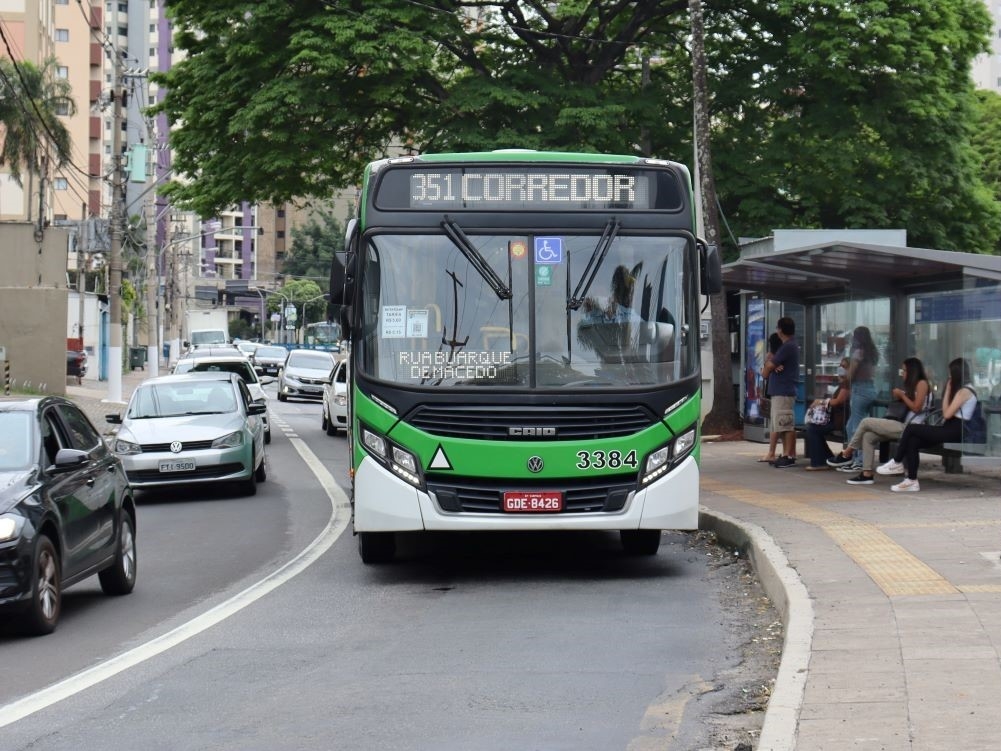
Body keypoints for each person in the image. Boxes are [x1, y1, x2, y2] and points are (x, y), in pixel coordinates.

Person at [876, 357, 979, 492]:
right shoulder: (963, 390)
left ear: (956, 374)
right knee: (913, 440)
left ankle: (897, 461)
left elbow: (947, 413)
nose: (948, 377)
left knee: (912, 428)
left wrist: (947, 390)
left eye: (950, 374)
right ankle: (911, 481)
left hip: (955, 430)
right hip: (950, 428)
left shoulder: (964, 391)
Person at [828, 357, 931, 484]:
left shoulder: (922, 383)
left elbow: (916, 407)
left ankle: (847, 453)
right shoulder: (912, 386)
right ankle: (867, 474)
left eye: (904, 370)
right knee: (868, 436)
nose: (902, 373)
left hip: (912, 427)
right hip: (903, 425)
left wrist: (902, 395)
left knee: (866, 422)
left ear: (912, 371)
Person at [840, 325, 880, 471]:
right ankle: (855, 457)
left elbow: (852, 372)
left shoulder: (858, 352)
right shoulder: (872, 352)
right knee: (851, 426)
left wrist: (845, 380)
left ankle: (860, 460)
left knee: (856, 428)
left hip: (860, 389)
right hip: (869, 388)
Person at [763, 317, 799, 468]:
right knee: (781, 424)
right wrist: (769, 365)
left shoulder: (788, 346)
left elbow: (768, 368)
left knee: (786, 423)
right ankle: (785, 453)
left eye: (778, 328)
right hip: (780, 391)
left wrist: (769, 366)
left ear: (780, 330)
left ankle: (788, 455)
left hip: (784, 391)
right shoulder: (788, 346)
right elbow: (770, 364)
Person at [803, 358, 850, 470]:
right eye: (840, 365)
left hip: (840, 421)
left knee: (813, 429)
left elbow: (838, 401)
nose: (841, 368)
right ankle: (827, 458)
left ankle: (819, 462)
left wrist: (821, 401)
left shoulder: (847, 384)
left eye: (844, 366)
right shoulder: (843, 383)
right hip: (835, 419)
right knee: (813, 428)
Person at [757, 332, 783, 463]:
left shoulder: (772, 355)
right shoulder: (781, 354)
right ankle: (783, 451)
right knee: (779, 422)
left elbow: (764, 373)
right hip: (779, 390)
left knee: (776, 423)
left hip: (775, 390)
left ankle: (772, 452)